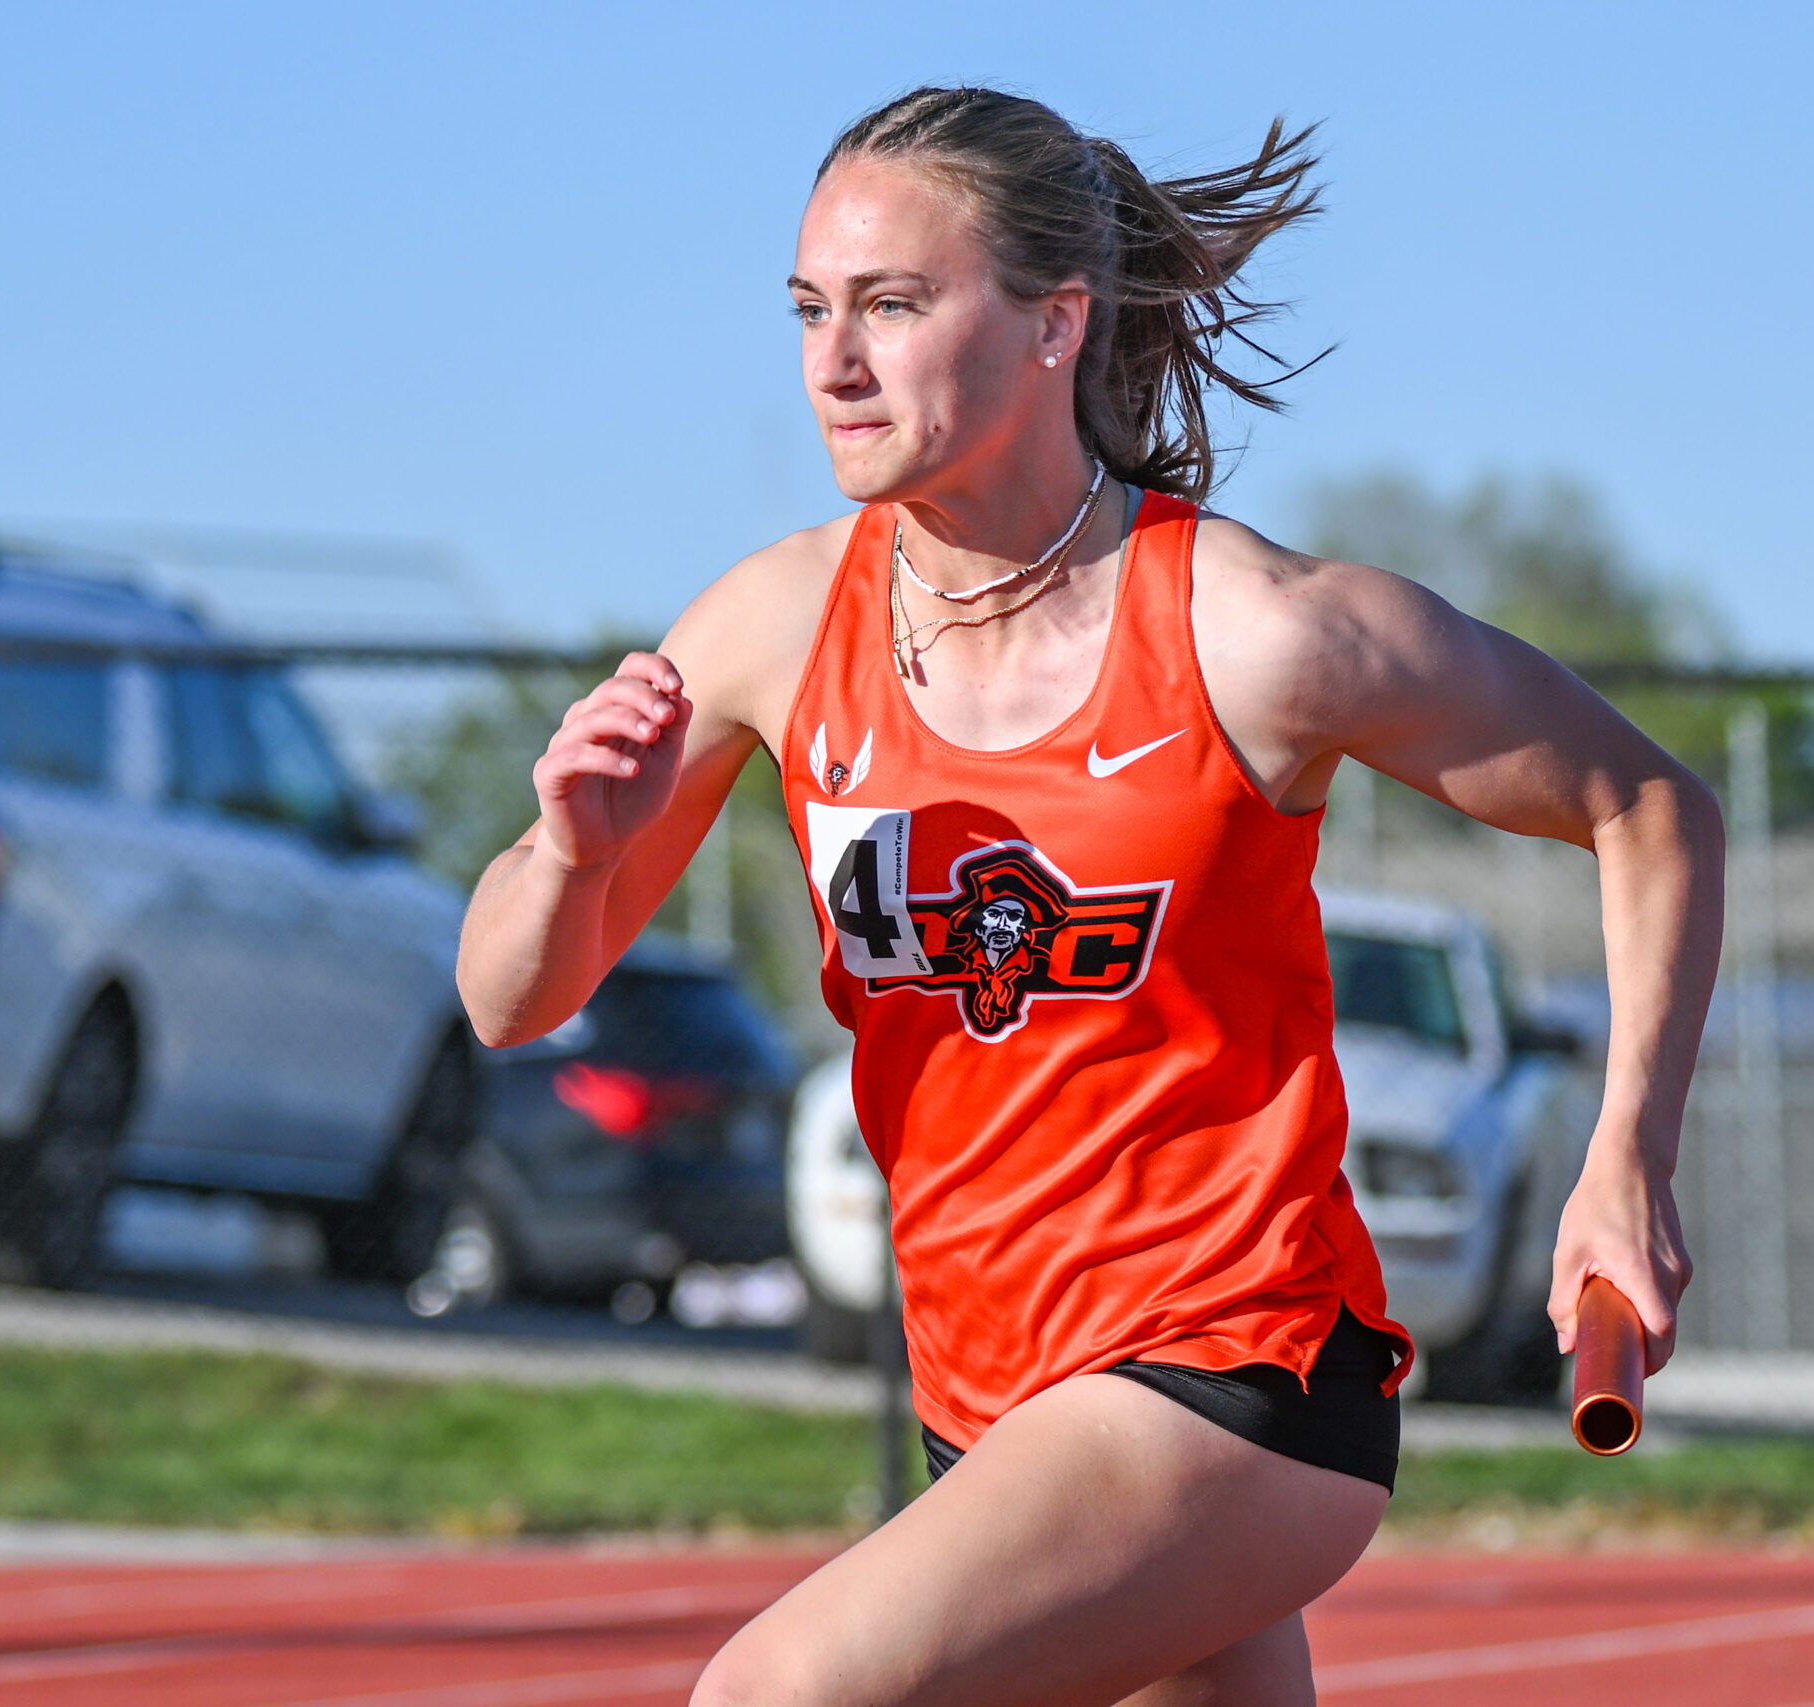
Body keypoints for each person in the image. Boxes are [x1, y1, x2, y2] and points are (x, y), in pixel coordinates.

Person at [457, 86, 1723, 1707]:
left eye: (891, 306)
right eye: (810, 309)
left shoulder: (1255, 632)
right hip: (987, 1402)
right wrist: (572, 852)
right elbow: (508, 998)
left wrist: (1626, 1161)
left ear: (1056, 323)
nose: (834, 365)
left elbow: (1650, 806)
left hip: (1238, 1367)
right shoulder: (777, 626)